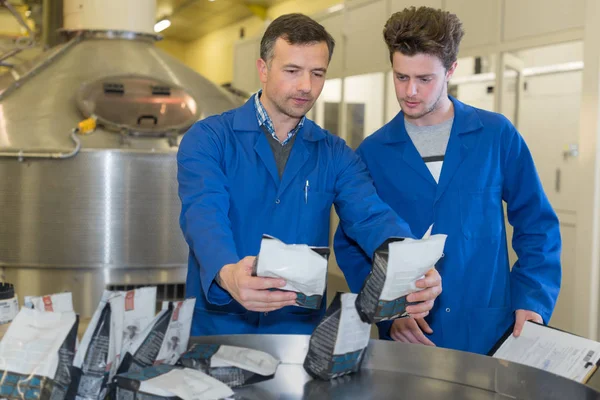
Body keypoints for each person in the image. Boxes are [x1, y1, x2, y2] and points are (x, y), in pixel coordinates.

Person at [177, 13, 442, 336]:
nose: (306, 86)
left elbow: (370, 216)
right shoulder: (210, 138)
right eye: (292, 71)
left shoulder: (334, 153)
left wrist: (410, 260)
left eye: (318, 73)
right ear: (263, 69)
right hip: (219, 325)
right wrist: (227, 271)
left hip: (296, 332)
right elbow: (203, 214)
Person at [334, 6, 561, 355]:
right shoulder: (373, 152)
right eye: (400, 77)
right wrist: (387, 312)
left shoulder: (495, 135)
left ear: (451, 70)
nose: (410, 91)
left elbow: (537, 224)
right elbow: (350, 245)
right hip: (412, 337)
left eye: (425, 79)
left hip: (490, 331)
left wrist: (533, 299)